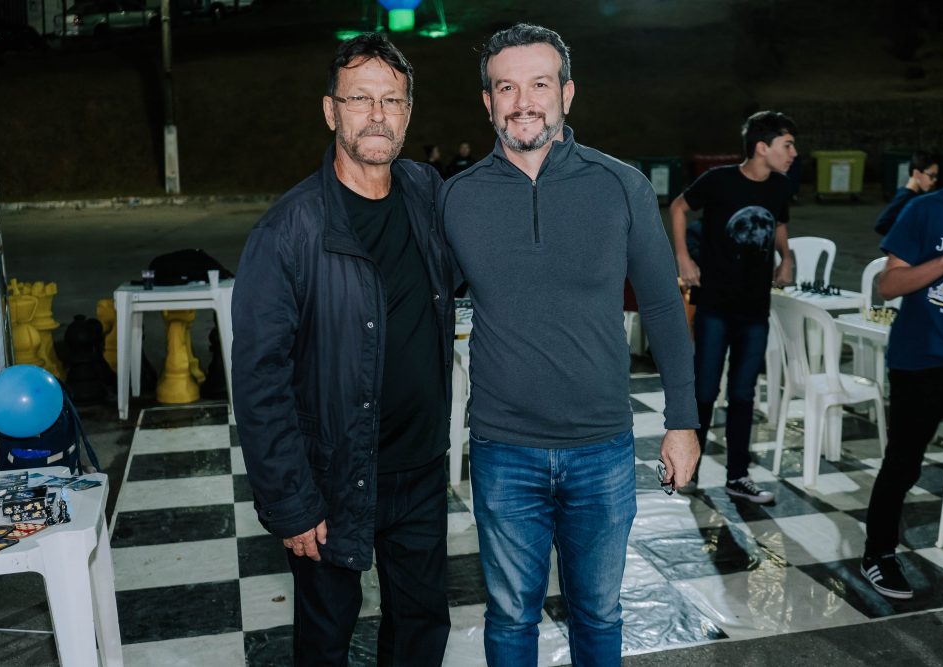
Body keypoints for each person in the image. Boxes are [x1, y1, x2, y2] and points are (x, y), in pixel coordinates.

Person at [439, 23, 700, 666]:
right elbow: (424, 310)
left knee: (599, 613)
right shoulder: (459, 198)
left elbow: (663, 307)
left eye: (539, 84)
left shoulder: (621, 185)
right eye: (506, 87)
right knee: (510, 617)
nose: (523, 101)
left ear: (567, 93)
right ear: (487, 101)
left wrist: (684, 422)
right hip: (503, 447)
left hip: (601, 448)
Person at [231, 33, 454, 666]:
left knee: (421, 630)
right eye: (360, 99)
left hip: (420, 471)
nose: (377, 115)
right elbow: (259, 379)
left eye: (392, 100)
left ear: (408, 113)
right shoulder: (287, 231)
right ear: (331, 111)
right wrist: (290, 502)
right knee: (326, 640)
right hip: (331, 479)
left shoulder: (427, 194)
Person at [860, 112, 943, 600]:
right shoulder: (926, 210)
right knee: (903, 465)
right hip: (920, 362)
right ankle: (878, 553)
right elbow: (886, 285)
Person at [670, 110, 797, 503]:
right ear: (762, 147)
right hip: (716, 307)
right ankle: (688, 470)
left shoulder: (780, 186)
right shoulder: (719, 180)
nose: (794, 153)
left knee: (743, 394)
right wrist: (683, 259)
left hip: (755, 309)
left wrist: (787, 257)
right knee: (705, 390)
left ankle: (737, 477)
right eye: (787, 145)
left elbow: (778, 223)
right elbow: (678, 207)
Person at [874, 151, 940, 236]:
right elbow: (881, 224)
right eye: (931, 176)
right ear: (916, 174)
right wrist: (906, 237)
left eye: (936, 176)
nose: (935, 180)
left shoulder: (915, 196)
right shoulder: (905, 197)